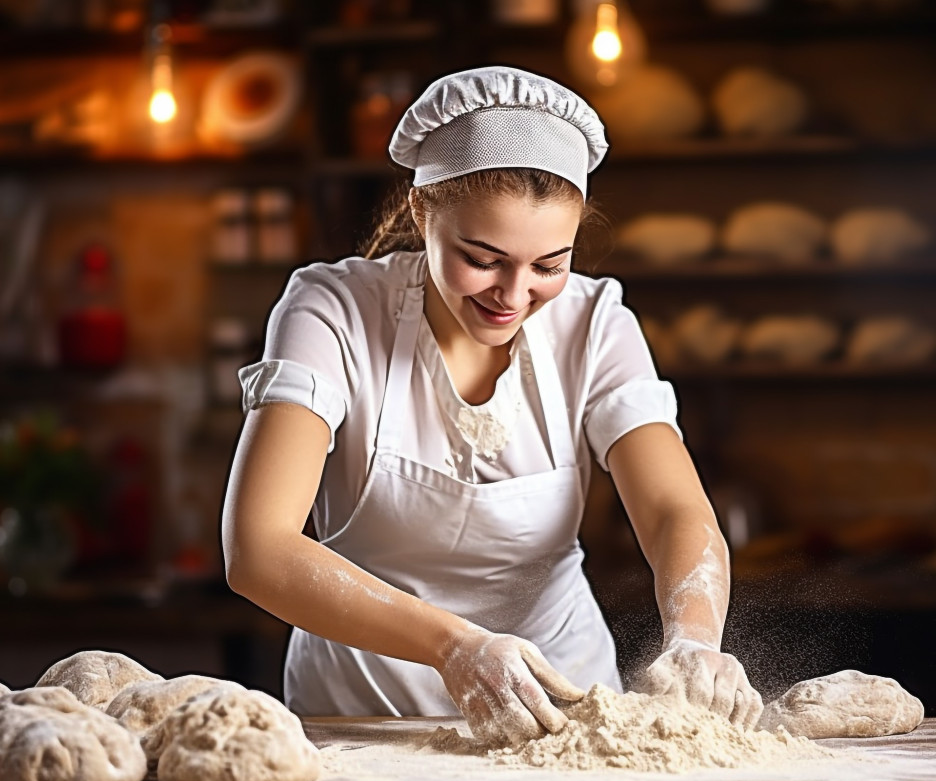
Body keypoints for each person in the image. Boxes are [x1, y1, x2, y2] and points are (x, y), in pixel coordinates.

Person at [222, 66, 762, 745]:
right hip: (360, 723)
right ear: (422, 212)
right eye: (483, 258)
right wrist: (455, 646)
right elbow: (258, 548)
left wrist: (693, 638)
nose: (513, 293)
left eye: (548, 265)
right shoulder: (334, 311)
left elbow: (673, 508)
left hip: (564, 724)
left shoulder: (594, 321)